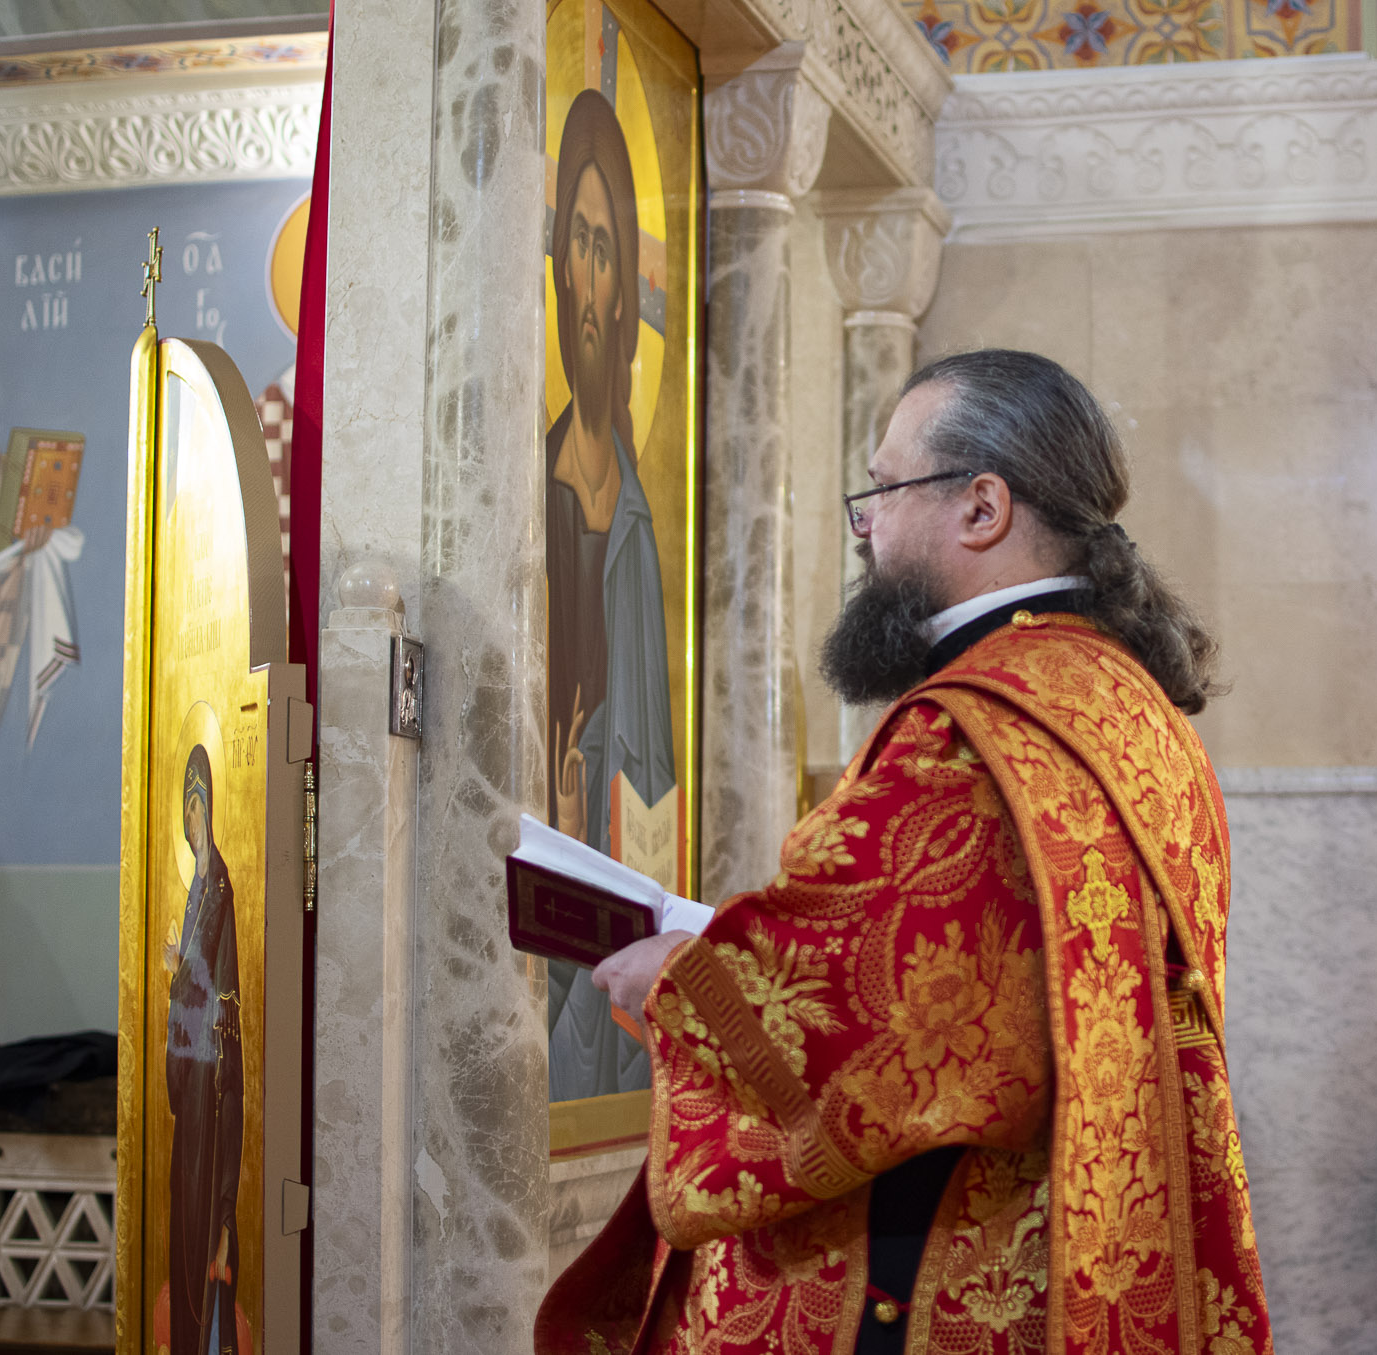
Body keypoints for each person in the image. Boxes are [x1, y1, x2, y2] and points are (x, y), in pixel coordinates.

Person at [537, 350, 1273, 1355]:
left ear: (982, 507)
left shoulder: (967, 728)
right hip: (1074, 1253)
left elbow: (868, 1015)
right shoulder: (1128, 704)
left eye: (883, 490)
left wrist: (678, 978)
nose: (865, 525)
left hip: (934, 1271)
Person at [545, 88, 680, 1100]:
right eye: (579, 245)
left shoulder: (637, 514)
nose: (593, 283)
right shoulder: (534, 495)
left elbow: (654, 763)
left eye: (608, 250)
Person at [166, 743, 242, 1355]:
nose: (192, 821)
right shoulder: (197, 884)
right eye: (187, 811)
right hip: (188, 1077)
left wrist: (176, 968)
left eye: (198, 809)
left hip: (209, 1077)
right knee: (182, 1213)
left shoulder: (215, 885)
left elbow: (204, 976)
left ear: (209, 808)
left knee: (204, 1215)